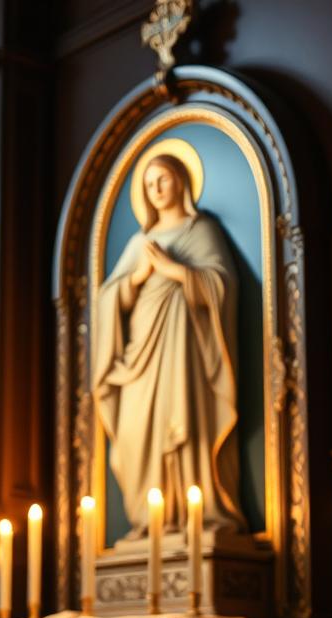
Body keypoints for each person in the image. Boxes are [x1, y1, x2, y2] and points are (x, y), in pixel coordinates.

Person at [93, 152, 244, 536]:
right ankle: (149, 519)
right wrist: (137, 277)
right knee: (135, 431)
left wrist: (175, 272)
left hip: (183, 354)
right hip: (140, 357)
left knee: (185, 425)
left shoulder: (201, 229)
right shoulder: (140, 242)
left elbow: (222, 286)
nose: (156, 189)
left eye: (163, 179)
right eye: (148, 184)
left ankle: (199, 514)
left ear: (181, 181)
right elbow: (109, 301)